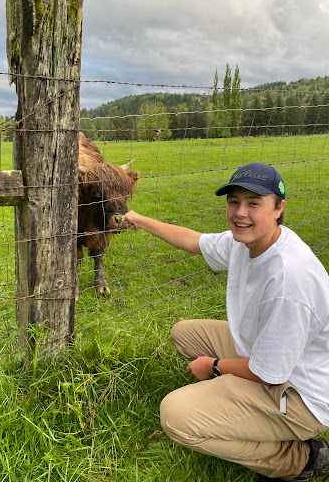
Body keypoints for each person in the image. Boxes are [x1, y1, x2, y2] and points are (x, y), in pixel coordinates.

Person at [122, 162, 329, 482]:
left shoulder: (289, 281)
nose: (240, 212)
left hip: (302, 392)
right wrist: (139, 219)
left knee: (175, 415)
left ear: (279, 208)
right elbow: (195, 241)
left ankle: (299, 458)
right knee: (185, 334)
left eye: (254, 203)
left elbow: (268, 373)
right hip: (270, 354)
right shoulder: (247, 242)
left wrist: (215, 366)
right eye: (234, 201)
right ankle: (240, 409)